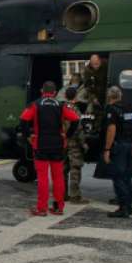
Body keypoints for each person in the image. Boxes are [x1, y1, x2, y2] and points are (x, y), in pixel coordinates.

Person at [20, 81, 80, 216]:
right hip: (58, 145)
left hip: (40, 144)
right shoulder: (60, 105)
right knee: (58, 177)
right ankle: (59, 207)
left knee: (42, 178)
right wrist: (68, 135)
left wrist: (28, 136)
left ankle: (42, 208)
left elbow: (23, 120)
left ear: (42, 91)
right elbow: (76, 119)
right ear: (54, 92)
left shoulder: (35, 104)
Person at [103, 86, 132, 218]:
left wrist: (107, 149)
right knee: (127, 178)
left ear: (110, 97)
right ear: (120, 96)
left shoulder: (111, 110)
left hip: (118, 147)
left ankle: (123, 208)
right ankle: (129, 207)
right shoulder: (130, 107)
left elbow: (111, 129)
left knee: (118, 178)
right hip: (129, 145)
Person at [63, 86, 90, 204]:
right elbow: (78, 129)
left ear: (65, 96)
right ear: (75, 96)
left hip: (62, 143)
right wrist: (83, 143)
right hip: (73, 143)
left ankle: (62, 194)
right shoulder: (75, 110)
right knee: (75, 169)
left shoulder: (61, 108)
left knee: (63, 170)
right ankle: (75, 196)